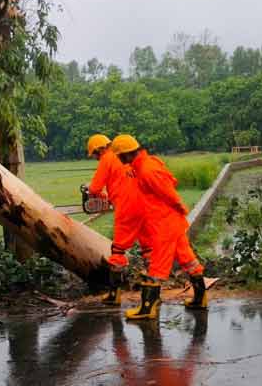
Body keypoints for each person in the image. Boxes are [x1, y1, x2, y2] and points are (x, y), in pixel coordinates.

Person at [112, 134, 207, 320]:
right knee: (188, 260)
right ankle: (200, 298)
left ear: (126, 154)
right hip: (171, 223)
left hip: (164, 224)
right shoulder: (143, 165)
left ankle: (148, 308)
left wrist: (180, 206)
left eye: (119, 155)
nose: (118, 159)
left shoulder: (147, 169)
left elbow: (168, 191)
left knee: (157, 267)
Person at [86, 134, 150, 305]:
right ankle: (152, 294)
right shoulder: (125, 156)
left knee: (118, 251)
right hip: (143, 205)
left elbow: (95, 188)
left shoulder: (107, 158)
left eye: (95, 154)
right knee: (148, 249)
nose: (96, 158)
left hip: (126, 208)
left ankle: (115, 294)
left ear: (100, 149)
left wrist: (95, 193)